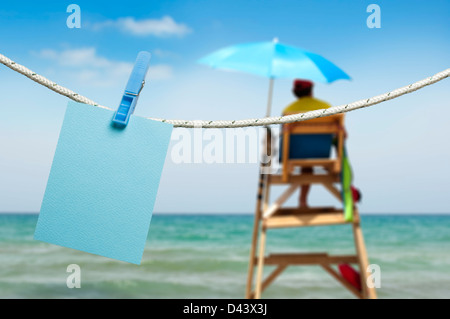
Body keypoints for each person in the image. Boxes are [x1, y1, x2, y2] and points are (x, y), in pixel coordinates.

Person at [282, 79, 331, 208]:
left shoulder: (288, 109)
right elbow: (339, 131)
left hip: (297, 153)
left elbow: (283, 133)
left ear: (295, 93)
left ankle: (302, 201)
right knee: (310, 156)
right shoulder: (325, 106)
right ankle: (332, 170)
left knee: (305, 162)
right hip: (322, 152)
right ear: (311, 91)